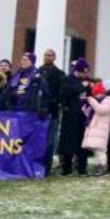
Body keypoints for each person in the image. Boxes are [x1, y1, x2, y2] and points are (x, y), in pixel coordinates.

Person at [57, 59, 93, 176]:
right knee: (68, 143)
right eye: (84, 72)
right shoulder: (67, 79)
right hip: (70, 115)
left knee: (83, 143)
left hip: (84, 116)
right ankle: (67, 169)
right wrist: (80, 86)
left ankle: (82, 168)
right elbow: (63, 93)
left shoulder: (87, 80)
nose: (85, 75)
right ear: (78, 71)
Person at [38, 48, 66, 176]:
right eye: (45, 55)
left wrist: (54, 102)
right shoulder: (37, 72)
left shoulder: (60, 74)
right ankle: (37, 165)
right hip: (37, 112)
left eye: (50, 55)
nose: (47, 57)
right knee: (38, 140)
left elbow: (61, 93)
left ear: (54, 58)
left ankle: (47, 168)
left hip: (52, 112)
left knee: (50, 142)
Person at [82, 81, 110, 176]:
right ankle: (97, 167)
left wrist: (92, 101)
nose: (97, 95)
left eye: (99, 93)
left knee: (100, 151)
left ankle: (103, 168)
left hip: (101, 129)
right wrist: (86, 105)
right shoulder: (97, 102)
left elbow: (101, 110)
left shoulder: (108, 101)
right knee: (96, 151)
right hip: (95, 129)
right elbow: (87, 113)